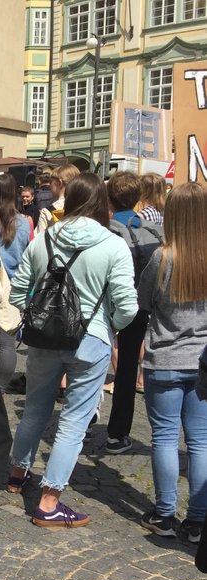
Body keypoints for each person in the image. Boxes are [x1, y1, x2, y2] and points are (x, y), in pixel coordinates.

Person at [7, 173, 138, 527]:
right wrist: (109, 326)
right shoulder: (113, 246)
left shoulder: (44, 240)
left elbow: (18, 292)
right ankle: (49, 502)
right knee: (74, 421)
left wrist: (35, 314)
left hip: (45, 339)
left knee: (35, 408)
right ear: (102, 203)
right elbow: (127, 306)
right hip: (91, 339)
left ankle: (18, 474)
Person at [137, 182, 207, 543]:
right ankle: (196, 520)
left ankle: (164, 514)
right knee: (200, 442)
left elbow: (144, 302)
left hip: (163, 357)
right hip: (203, 362)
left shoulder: (162, 258)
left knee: (164, 437)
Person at [105, 171, 163, 454]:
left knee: (85, 366)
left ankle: (79, 424)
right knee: (127, 367)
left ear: (109, 199)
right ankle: (117, 434)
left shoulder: (103, 230)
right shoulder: (154, 232)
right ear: (138, 197)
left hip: (103, 306)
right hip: (139, 306)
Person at [0, 173, 32, 387]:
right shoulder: (23, 223)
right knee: (7, 345)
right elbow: (27, 256)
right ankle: (0, 389)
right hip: (11, 288)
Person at [35, 164, 80, 235]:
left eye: (51, 182)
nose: (50, 186)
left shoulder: (47, 212)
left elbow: (37, 242)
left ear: (60, 183)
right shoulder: (85, 208)